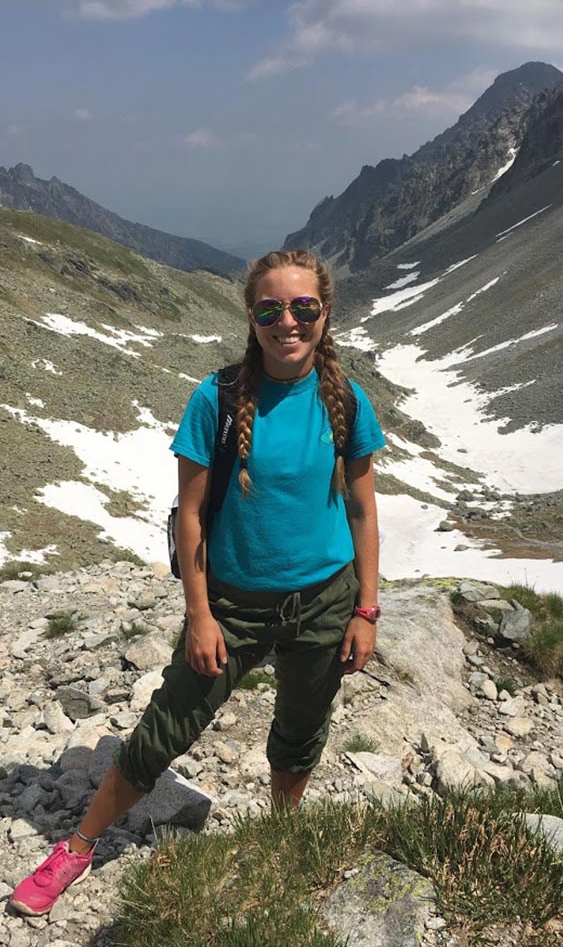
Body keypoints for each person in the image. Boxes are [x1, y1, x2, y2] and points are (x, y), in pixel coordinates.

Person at [10, 249, 386, 917]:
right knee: (166, 726)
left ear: (325, 313)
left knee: (301, 730)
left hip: (326, 600)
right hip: (232, 604)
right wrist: (201, 614)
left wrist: (365, 608)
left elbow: (361, 507)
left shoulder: (344, 399)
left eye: (303, 308)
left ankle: (279, 831)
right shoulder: (216, 398)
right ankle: (79, 844)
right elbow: (189, 513)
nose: (287, 322)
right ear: (250, 316)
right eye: (270, 309)